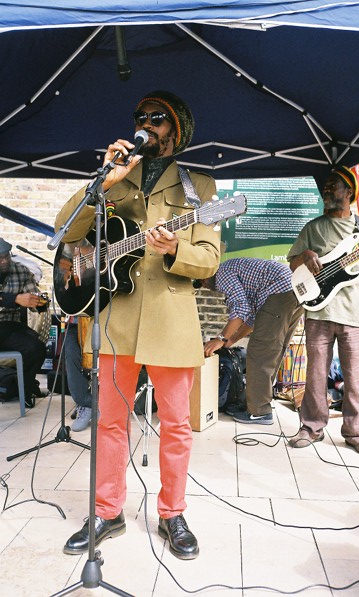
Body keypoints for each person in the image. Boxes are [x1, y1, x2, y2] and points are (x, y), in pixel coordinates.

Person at [55, 90, 220, 559]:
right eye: (140, 116)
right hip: (117, 319)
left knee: (176, 424)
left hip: (171, 318)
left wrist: (175, 250)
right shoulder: (115, 180)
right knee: (110, 421)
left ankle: (172, 513)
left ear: (177, 130)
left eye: (158, 118)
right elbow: (65, 232)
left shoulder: (199, 188)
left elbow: (209, 261)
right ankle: (107, 511)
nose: (146, 123)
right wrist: (104, 181)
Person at [287, 165, 359, 457]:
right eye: (325, 186)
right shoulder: (313, 227)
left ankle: (355, 432)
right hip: (319, 312)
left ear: (348, 191)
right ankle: (311, 428)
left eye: (332, 185)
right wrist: (304, 256)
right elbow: (292, 264)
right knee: (315, 374)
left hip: (356, 314)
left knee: (355, 377)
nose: (326, 190)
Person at [202, 257, 304, 424]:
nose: (204, 286)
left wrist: (221, 338)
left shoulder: (222, 274)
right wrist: (232, 339)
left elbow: (240, 308)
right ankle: (254, 404)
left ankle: (259, 411)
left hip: (280, 292)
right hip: (295, 291)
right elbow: (252, 317)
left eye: (201, 282)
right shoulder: (233, 271)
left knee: (260, 352)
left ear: (206, 275)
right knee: (273, 350)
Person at [0, 237, 47, 408]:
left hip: (8, 329)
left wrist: (39, 303)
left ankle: (25, 388)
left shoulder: (21, 271)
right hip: (7, 329)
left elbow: (31, 294)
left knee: (37, 347)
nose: (4, 261)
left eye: (6, 256)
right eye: (0, 258)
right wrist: (16, 299)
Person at [64, 318, 92, 432]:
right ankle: (86, 403)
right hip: (77, 324)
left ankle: (105, 405)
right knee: (71, 353)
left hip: (106, 322)